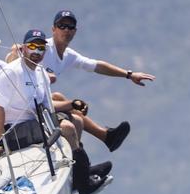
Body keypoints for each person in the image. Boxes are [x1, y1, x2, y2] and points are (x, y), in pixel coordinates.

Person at [0, 29, 110, 194]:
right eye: (32, 46)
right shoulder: (11, 72)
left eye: (41, 48)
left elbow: (47, 106)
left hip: (35, 121)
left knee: (76, 120)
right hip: (13, 130)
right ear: (23, 48)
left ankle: (80, 175)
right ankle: (84, 184)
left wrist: (72, 105)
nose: (37, 52)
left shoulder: (41, 74)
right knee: (68, 128)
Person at [43, 9, 154, 152]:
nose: (66, 30)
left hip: (43, 103)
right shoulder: (43, 48)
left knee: (60, 99)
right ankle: (103, 139)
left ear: (75, 31)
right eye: (61, 26)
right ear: (53, 29)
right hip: (29, 106)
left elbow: (97, 66)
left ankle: (102, 140)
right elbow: (21, 52)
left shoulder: (68, 55)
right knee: (72, 115)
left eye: (70, 27)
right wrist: (16, 51)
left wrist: (129, 74)